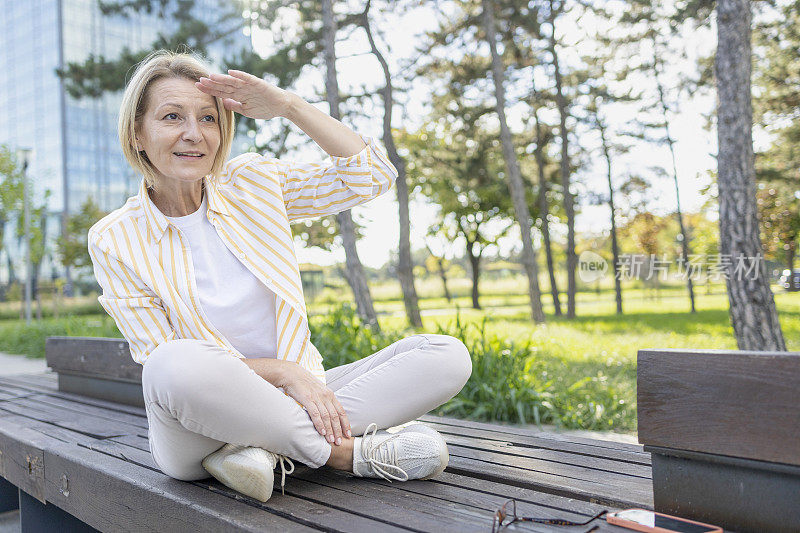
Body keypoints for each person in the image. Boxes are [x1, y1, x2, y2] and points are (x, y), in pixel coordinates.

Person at [87, 49, 472, 502]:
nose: (194, 134)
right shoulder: (113, 238)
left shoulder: (253, 183)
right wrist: (285, 373)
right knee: (172, 363)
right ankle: (350, 455)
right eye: (172, 117)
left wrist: (289, 106)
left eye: (208, 119)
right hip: (197, 429)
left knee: (446, 355)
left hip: (301, 399)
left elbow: (372, 176)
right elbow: (158, 357)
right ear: (137, 133)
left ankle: (262, 451)